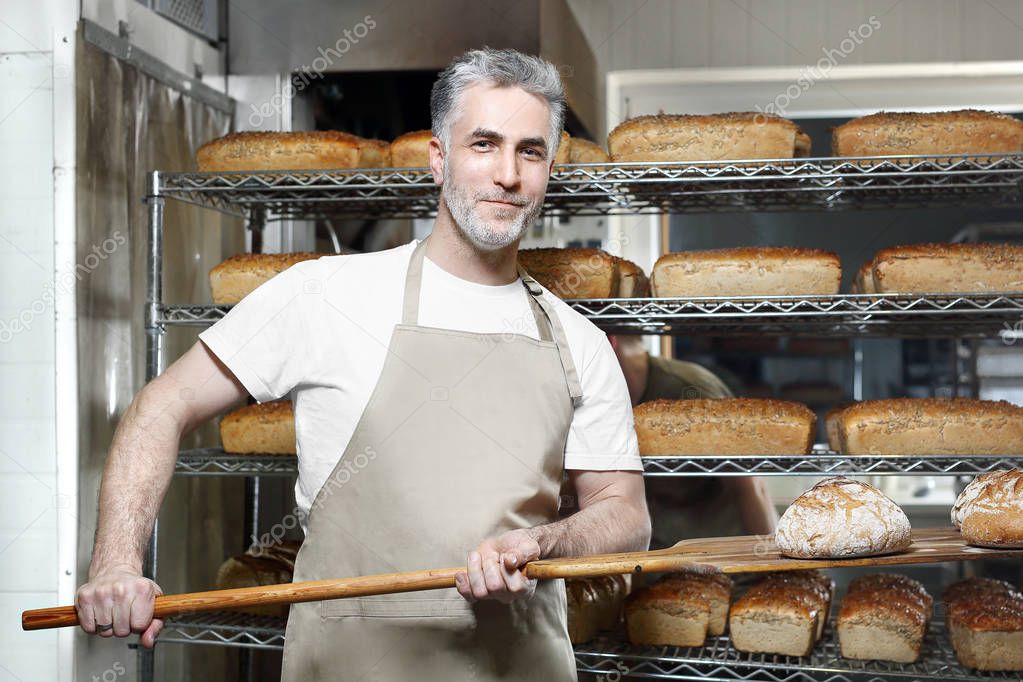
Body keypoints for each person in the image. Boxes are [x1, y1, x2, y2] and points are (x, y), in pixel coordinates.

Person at [75, 48, 650, 681]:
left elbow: (624, 511)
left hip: (521, 663)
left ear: (548, 168)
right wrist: (116, 564)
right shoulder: (325, 294)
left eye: (530, 151)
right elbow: (164, 403)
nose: (508, 174)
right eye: (483, 144)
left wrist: (546, 543)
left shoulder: (580, 342)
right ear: (438, 158)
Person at [608, 334, 777, 547]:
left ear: (610, 344)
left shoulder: (691, 390)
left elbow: (750, 486)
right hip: (654, 567)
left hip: (723, 564)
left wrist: (775, 569)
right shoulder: (602, 403)